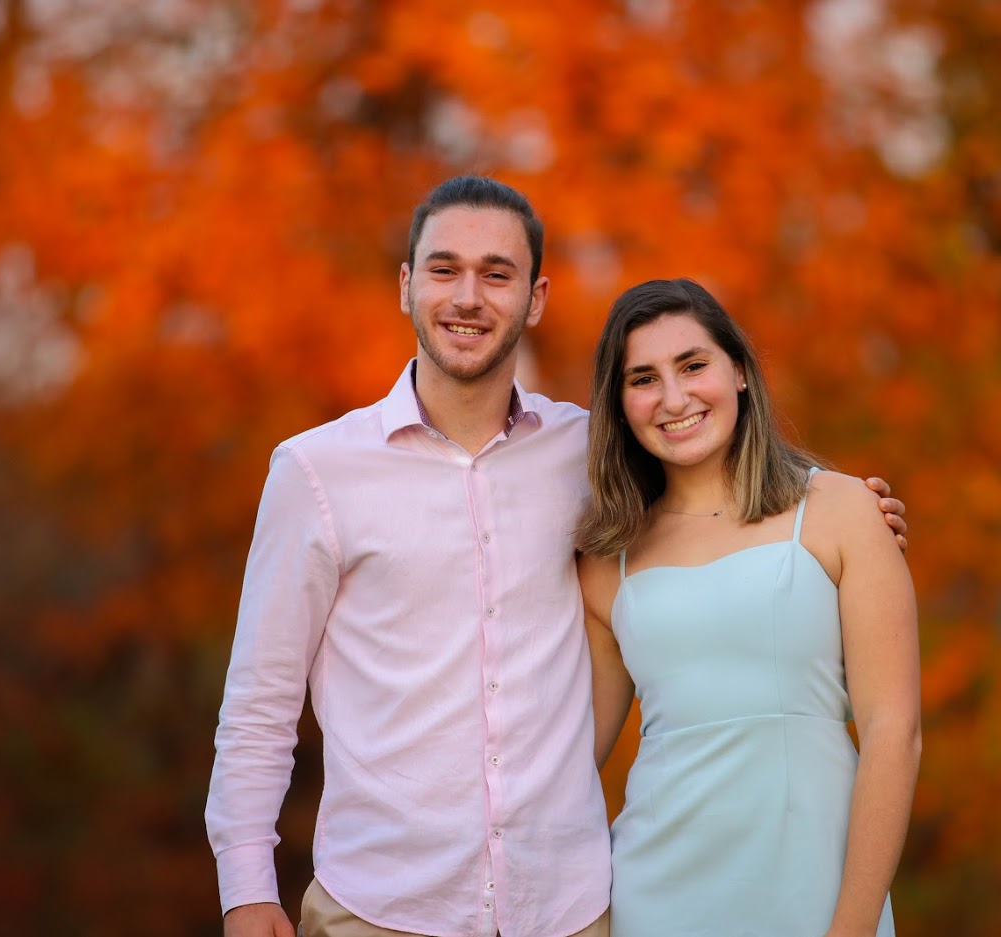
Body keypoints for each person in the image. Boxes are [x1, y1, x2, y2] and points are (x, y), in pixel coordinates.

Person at [206, 177, 910, 937]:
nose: (468, 296)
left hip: (564, 910)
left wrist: (850, 521)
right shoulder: (316, 472)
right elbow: (259, 702)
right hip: (383, 906)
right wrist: (246, 886)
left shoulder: (585, 457)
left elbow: (722, 501)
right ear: (406, 285)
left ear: (534, 298)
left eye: (497, 273)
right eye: (444, 270)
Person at [578, 279, 921, 937]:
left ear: (737, 370)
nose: (673, 398)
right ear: (620, 405)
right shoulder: (606, 560)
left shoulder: (844, 510)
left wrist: (849, 927)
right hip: (654, 900)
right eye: (643, 378)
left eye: (692, 364)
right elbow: (565, 765)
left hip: (814, 894)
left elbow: (893, 730)